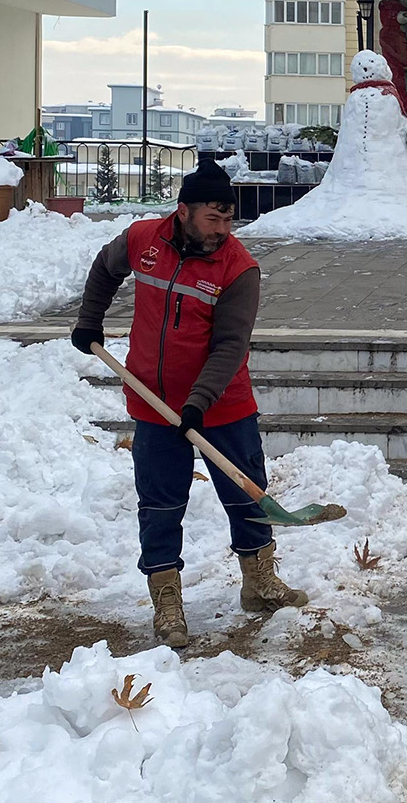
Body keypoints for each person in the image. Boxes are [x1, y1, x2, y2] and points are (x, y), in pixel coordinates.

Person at [70, 158, 308, 648]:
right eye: (212, 219)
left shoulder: (239, 268)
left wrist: (199, 402)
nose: (222, 230)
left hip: (221, 404)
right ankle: (167, 600)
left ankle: (259, 581)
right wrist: (90, 319)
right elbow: (105, 268)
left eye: (229, 219)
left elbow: (230, 346)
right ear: (183, 212)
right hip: (153, 402)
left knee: (246, 496)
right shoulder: (143, 240)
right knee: (160, 504)